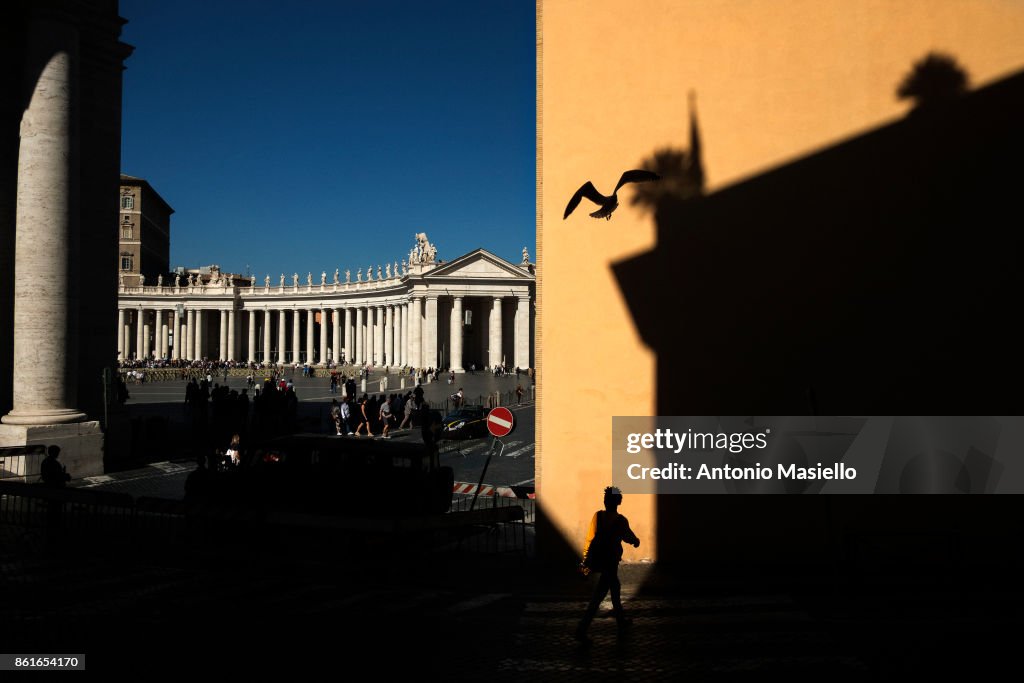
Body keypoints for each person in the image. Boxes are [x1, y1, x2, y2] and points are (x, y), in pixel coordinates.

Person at [575, 486, 640, 642]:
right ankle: (582, 629)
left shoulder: (597, 517)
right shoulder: (621, 521)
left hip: (600, 561)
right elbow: (629, 537)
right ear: (618, 502)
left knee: (612, 592)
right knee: (602, 596)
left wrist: (585, 560)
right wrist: (636, 541)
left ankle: (620, 623)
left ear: (605, 501)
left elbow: (589, 539)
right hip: (611, 563)